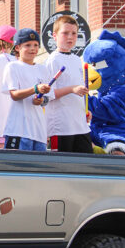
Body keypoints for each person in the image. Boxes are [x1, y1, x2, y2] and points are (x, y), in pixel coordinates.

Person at [2, 28, 53, 151]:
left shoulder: (43, 69)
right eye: (28, 45)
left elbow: (47, 99)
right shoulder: (12, 67)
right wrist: (35, 89)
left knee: (39, 168)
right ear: (17, 48)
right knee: (16, 168)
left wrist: (41, 100)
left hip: (39, 131)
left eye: (36, 45)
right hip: (18, 129)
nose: (33, 48)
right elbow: (14, 95)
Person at [46, 15, 91, 154]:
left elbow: (78, 90)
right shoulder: (52, 61)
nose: (70, 37)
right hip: (61, 126)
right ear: (55, 36)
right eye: (65, 33)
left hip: (80, 125)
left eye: (74, 33)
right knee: (62, 169)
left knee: (86, 167)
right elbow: (49, 94)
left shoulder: (77, 60)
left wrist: (85, 109)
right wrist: (72, 89)